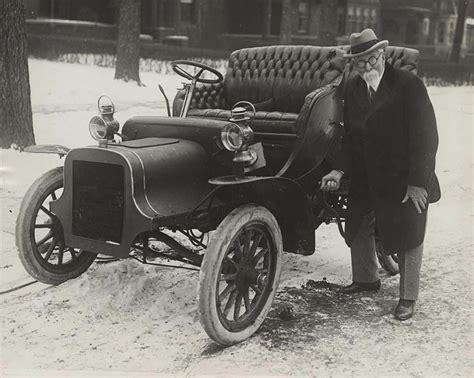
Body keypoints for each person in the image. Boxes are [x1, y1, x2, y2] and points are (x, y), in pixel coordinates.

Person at [321, 28, 440, 321]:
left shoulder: (408, 84)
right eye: (359, 62)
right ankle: (365, 279)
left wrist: (417, 183)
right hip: (366, 172)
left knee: (410, 230)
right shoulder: (352, 87)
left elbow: (426, 137)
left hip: (404, 175)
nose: (366, 67)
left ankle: (407, 297)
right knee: (359, 219)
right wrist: (339, 167)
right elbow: (348, 137)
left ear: (382, 55)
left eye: (371, 59)